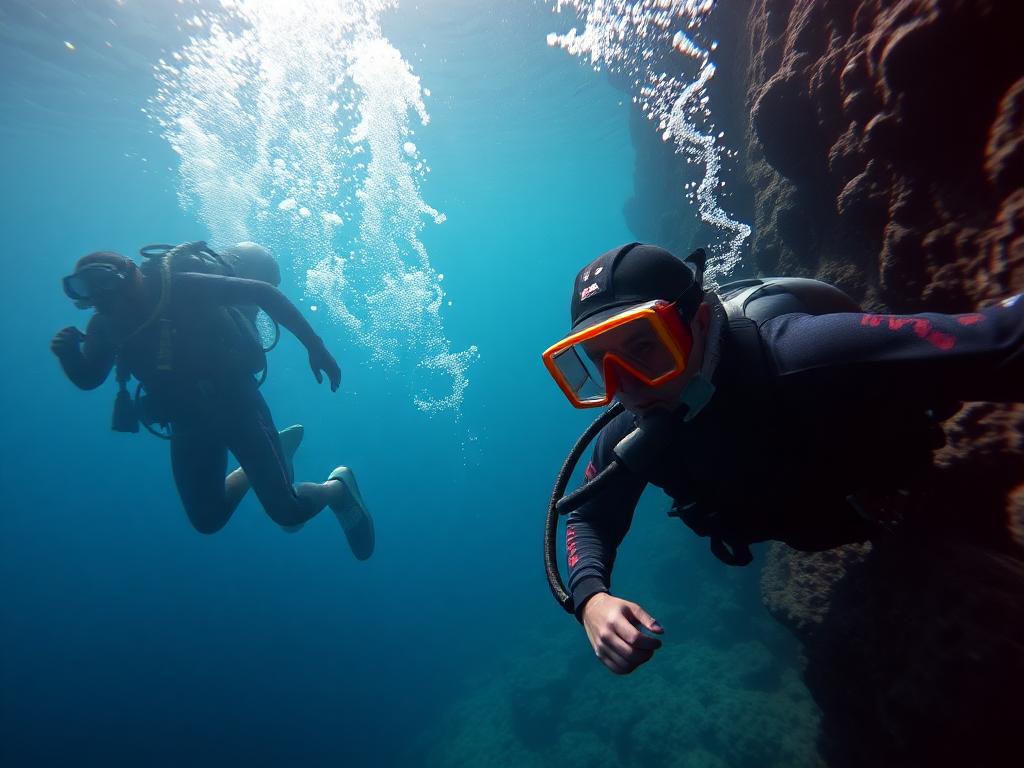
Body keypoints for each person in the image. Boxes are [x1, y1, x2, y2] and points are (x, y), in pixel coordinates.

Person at [541, 242, 1024, 675]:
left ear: (701, 321)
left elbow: (1002, 338)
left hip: (918, 493)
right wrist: (590, 599)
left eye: (644, 346)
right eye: (599, 362)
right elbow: (586, 511)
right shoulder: (631, 428)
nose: (623, 384)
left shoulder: (803, 353)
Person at [51, 244, 374, 559]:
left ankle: (338, 489)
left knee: (287, 512)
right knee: (207, 519)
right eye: (84, 290)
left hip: (237, 405)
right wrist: (68, 355)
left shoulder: (178, 288)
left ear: (130, 273)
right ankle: (254, 472)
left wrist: (315, 346)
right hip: (187, 423)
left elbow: (263, 292)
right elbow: (90, 378)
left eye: (103, 281)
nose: (100, 297)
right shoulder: (104, 326)